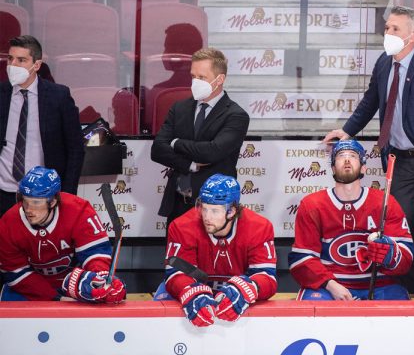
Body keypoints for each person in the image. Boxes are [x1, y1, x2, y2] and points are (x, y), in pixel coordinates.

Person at [323, 6, 414, 294]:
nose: (388, 34)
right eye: (387, 28)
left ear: (413, 35)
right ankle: (409, 289)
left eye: (395, 29)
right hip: (399, 160)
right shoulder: (385, 63)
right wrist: (348, 130)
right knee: (404, 226)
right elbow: (370, 101)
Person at [288, 139, 414, 300]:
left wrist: (390, 253)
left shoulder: (385, 202)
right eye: (341, 156)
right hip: (330, 285)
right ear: (333, 167)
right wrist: (331, 285)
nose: (347, 159)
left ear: (363, 167)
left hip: (379, 285)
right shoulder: (312, 204)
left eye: (353, 156)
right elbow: (302, 260)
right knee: (312, 311)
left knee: (399, 310)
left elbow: (407, 258)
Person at [157, 174, 277, 327]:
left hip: (236, 295)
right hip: (197, 287)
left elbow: (267, 277)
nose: (206, 217)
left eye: (214, 211)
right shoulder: (182, 226)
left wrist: (248, 288)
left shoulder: (258, 227)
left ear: (231, 211)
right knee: (166, 303)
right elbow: (176, 274)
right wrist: (190, 290)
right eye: (204, 208)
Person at [151, 48, 249, 226]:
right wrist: (191, 164)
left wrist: (176, 142)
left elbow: (212, 152)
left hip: (216, 207)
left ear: (220, 79)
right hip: (179, 202)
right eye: (193, 76)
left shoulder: (236, 115)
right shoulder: (179, 108)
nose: (195, 82)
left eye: (202, 77)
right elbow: (157, 149)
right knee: (176, 254)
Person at [0, 166, 125, 302]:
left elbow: (95, 253)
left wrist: (100, 278)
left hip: (74, 284)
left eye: (36, 202)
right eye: (25, 201)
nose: (28, 209)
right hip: (31, 288)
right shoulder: (8, 223)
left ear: (53, 201)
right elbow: (16, 273)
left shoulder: (78, 211)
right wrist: (56, 298)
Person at [0, 35, 84, 215]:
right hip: (3, 192)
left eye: (21, 60)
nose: (13, 65)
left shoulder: (58, 96)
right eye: (10, 58)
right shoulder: (1, 94)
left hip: (44, 195)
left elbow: (76, 149)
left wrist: (67, 195)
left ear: (36, 65)